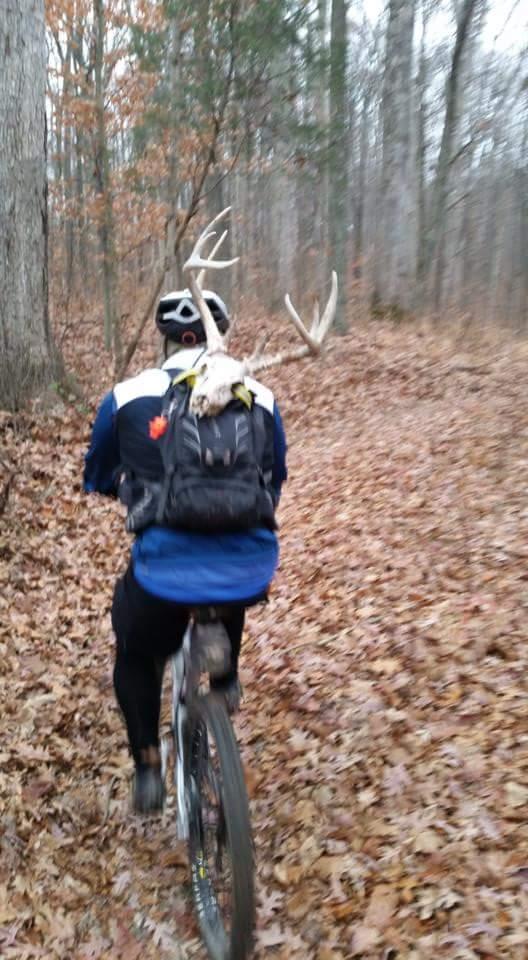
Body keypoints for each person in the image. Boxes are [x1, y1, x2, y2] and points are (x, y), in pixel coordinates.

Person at [84, 288, 287, 813]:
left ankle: (147, 765)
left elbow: (98, 473)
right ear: (221, 331)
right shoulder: (258, 396)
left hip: (162, 572)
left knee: (136, 650)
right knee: (228, 579)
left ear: (166, 337)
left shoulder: (126, 396)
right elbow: (274, 479)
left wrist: (123, 489)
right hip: (248, 565)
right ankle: (225, 676)